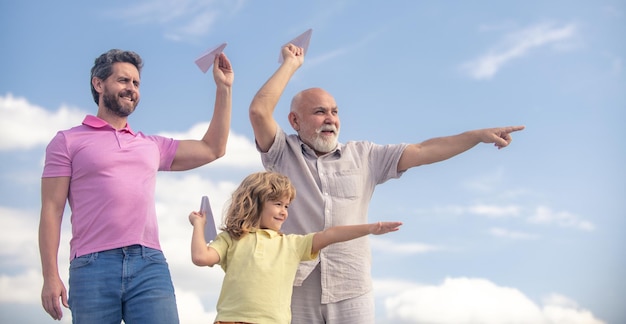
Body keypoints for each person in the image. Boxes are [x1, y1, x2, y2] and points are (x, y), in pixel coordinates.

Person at [248, 43, 526, 323]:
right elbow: (259, 112)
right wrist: (291, 65)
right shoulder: (282, 152)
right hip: (294, 285)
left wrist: (476, 136)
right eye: (320, 112)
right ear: (294, 120)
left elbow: (423, 151)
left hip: (351, 285)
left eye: (335, 111)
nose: (331, 119)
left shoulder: (365, 155)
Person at [38, 48, 234, 323]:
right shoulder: (67, 141)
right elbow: (51, 210)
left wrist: (223, 88)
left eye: (136, 83)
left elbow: (213, 148)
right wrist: (50, 275)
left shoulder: (150, 145)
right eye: (123, 80)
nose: (131, 89)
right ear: (98, 83)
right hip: (92, 265)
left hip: (149, 264)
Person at [188, 171, 402, 324]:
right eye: (278, 204)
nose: (284, 211)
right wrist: (199, 225)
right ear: (254, 203)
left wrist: (372, 228)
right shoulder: (232, 238)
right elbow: (200, 257)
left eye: (287, 206)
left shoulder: (291, 244)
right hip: (230, 321)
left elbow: (330, 234)